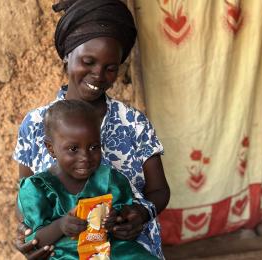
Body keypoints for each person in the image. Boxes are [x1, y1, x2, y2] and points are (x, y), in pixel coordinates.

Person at [13, 0, 170, 259]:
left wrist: (140, 214)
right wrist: (27, 236)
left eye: (111, 68)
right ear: (67, 56)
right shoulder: (35, 124)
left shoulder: (134, 123)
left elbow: (160, 191)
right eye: (88, 61)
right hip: (63, 253)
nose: (98, 74)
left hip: (129, 250)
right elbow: (24, 198)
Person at [18, 100, 159, 259]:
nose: (85, 157)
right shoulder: (37, 188)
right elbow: (34, 240)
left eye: (94, 147)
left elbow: (124, 218)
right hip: (66, 255)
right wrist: (61, 226)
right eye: (73, 149)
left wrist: (114, 219)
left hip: (111, 250)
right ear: (51, 148)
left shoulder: (109, 179)